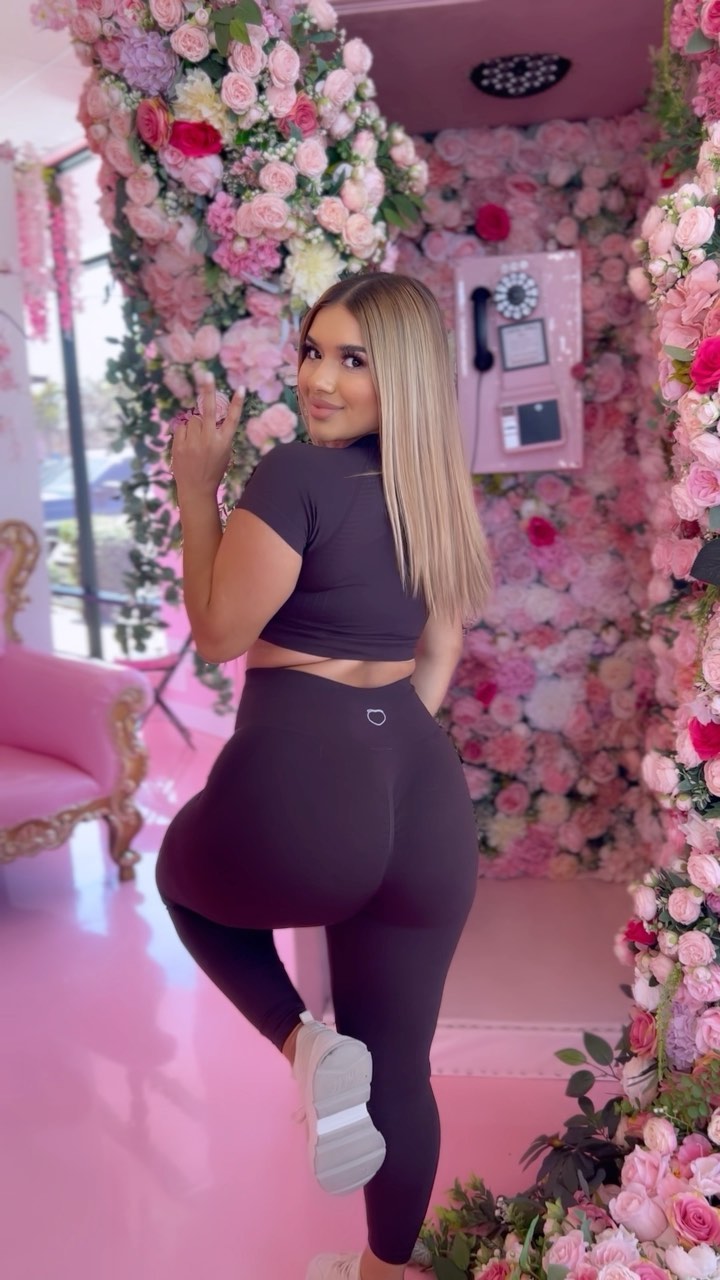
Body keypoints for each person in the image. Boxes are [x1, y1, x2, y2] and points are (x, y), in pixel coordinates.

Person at [155, 271, 492, 1280]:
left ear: (402, 377)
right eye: (312, 351)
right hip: (425, 800)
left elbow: (220, 630)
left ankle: (303, 1045)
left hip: (307, 774)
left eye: (352, 360)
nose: (319, 379)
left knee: (180, 880)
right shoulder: (435, 491)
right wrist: (381, 753)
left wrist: (197, 491)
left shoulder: (295, 475)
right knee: (401, 1070)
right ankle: (385, 1273)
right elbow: (439, 652)